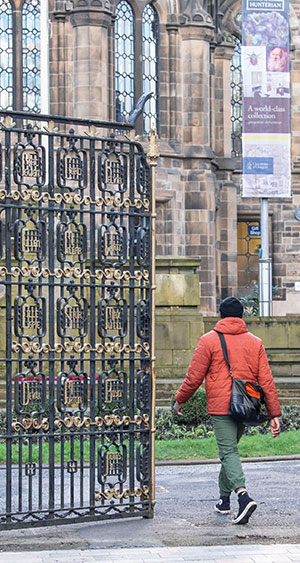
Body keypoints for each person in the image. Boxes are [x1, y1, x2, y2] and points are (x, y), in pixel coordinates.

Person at [173, 296, 281, 525]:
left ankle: (243, 497)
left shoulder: (208, 340)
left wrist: (179, 400)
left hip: (221, 406)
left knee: (228, 452)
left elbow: (194, 377)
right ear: (242, 316)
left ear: (221, 315)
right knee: (229, 451)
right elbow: (267, 380)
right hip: (246, 405)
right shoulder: (255, 342)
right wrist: (274, 414)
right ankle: (224, 500)